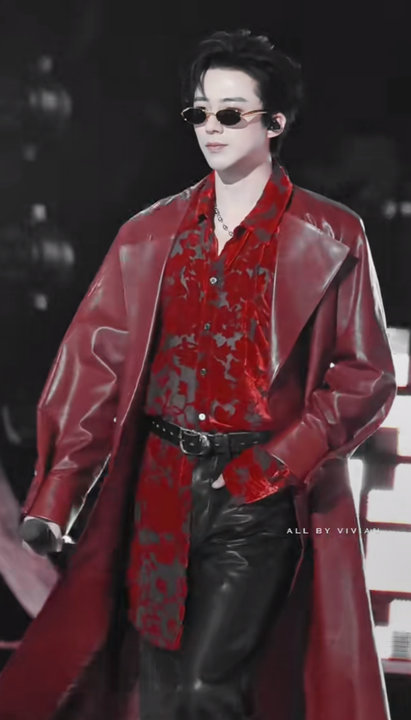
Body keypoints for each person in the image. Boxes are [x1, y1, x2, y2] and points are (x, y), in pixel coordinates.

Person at [0, 28, 396, 720]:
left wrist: (273, 465)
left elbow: (365, 375)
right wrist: (55, 499)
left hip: (255, 493)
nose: (210, 127)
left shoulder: (331, 235)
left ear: (275, 123)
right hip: (158, 487)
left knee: (205, 686)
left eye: (230, 112)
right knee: (156, 688)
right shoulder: (149, 235)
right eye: (200, 111)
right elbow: (94, 370)